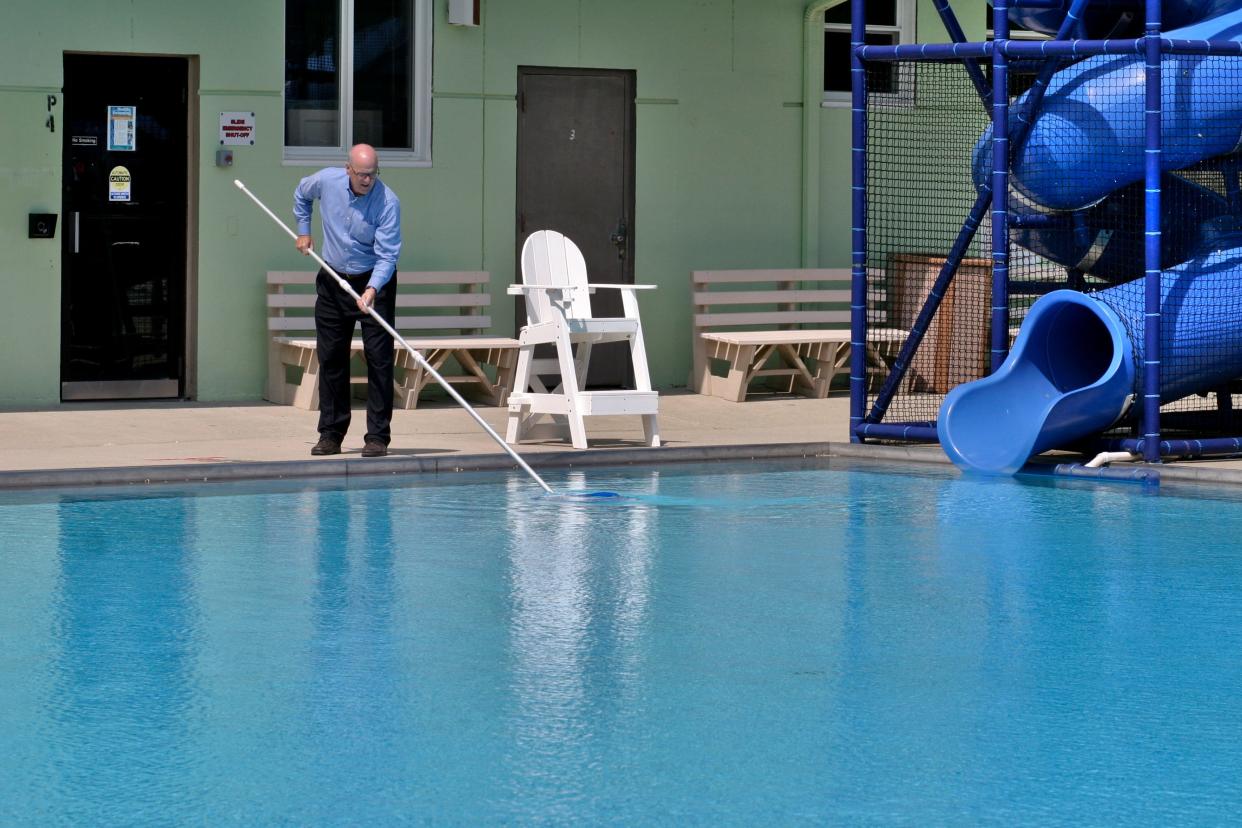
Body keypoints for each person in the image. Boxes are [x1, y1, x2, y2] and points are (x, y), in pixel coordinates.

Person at [293, 143, 402, 457]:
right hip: (332, 279)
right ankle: (330, 434)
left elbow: (387, 256)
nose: (367, 180)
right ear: (348, 169)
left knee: (379, 359)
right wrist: (304, 229)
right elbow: (301, 193)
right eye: (361, 174)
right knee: (331, 358)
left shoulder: (388, 202)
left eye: (372, 174)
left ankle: (377, 436)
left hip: (373, 283)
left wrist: (372, 289)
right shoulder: (327, 181)